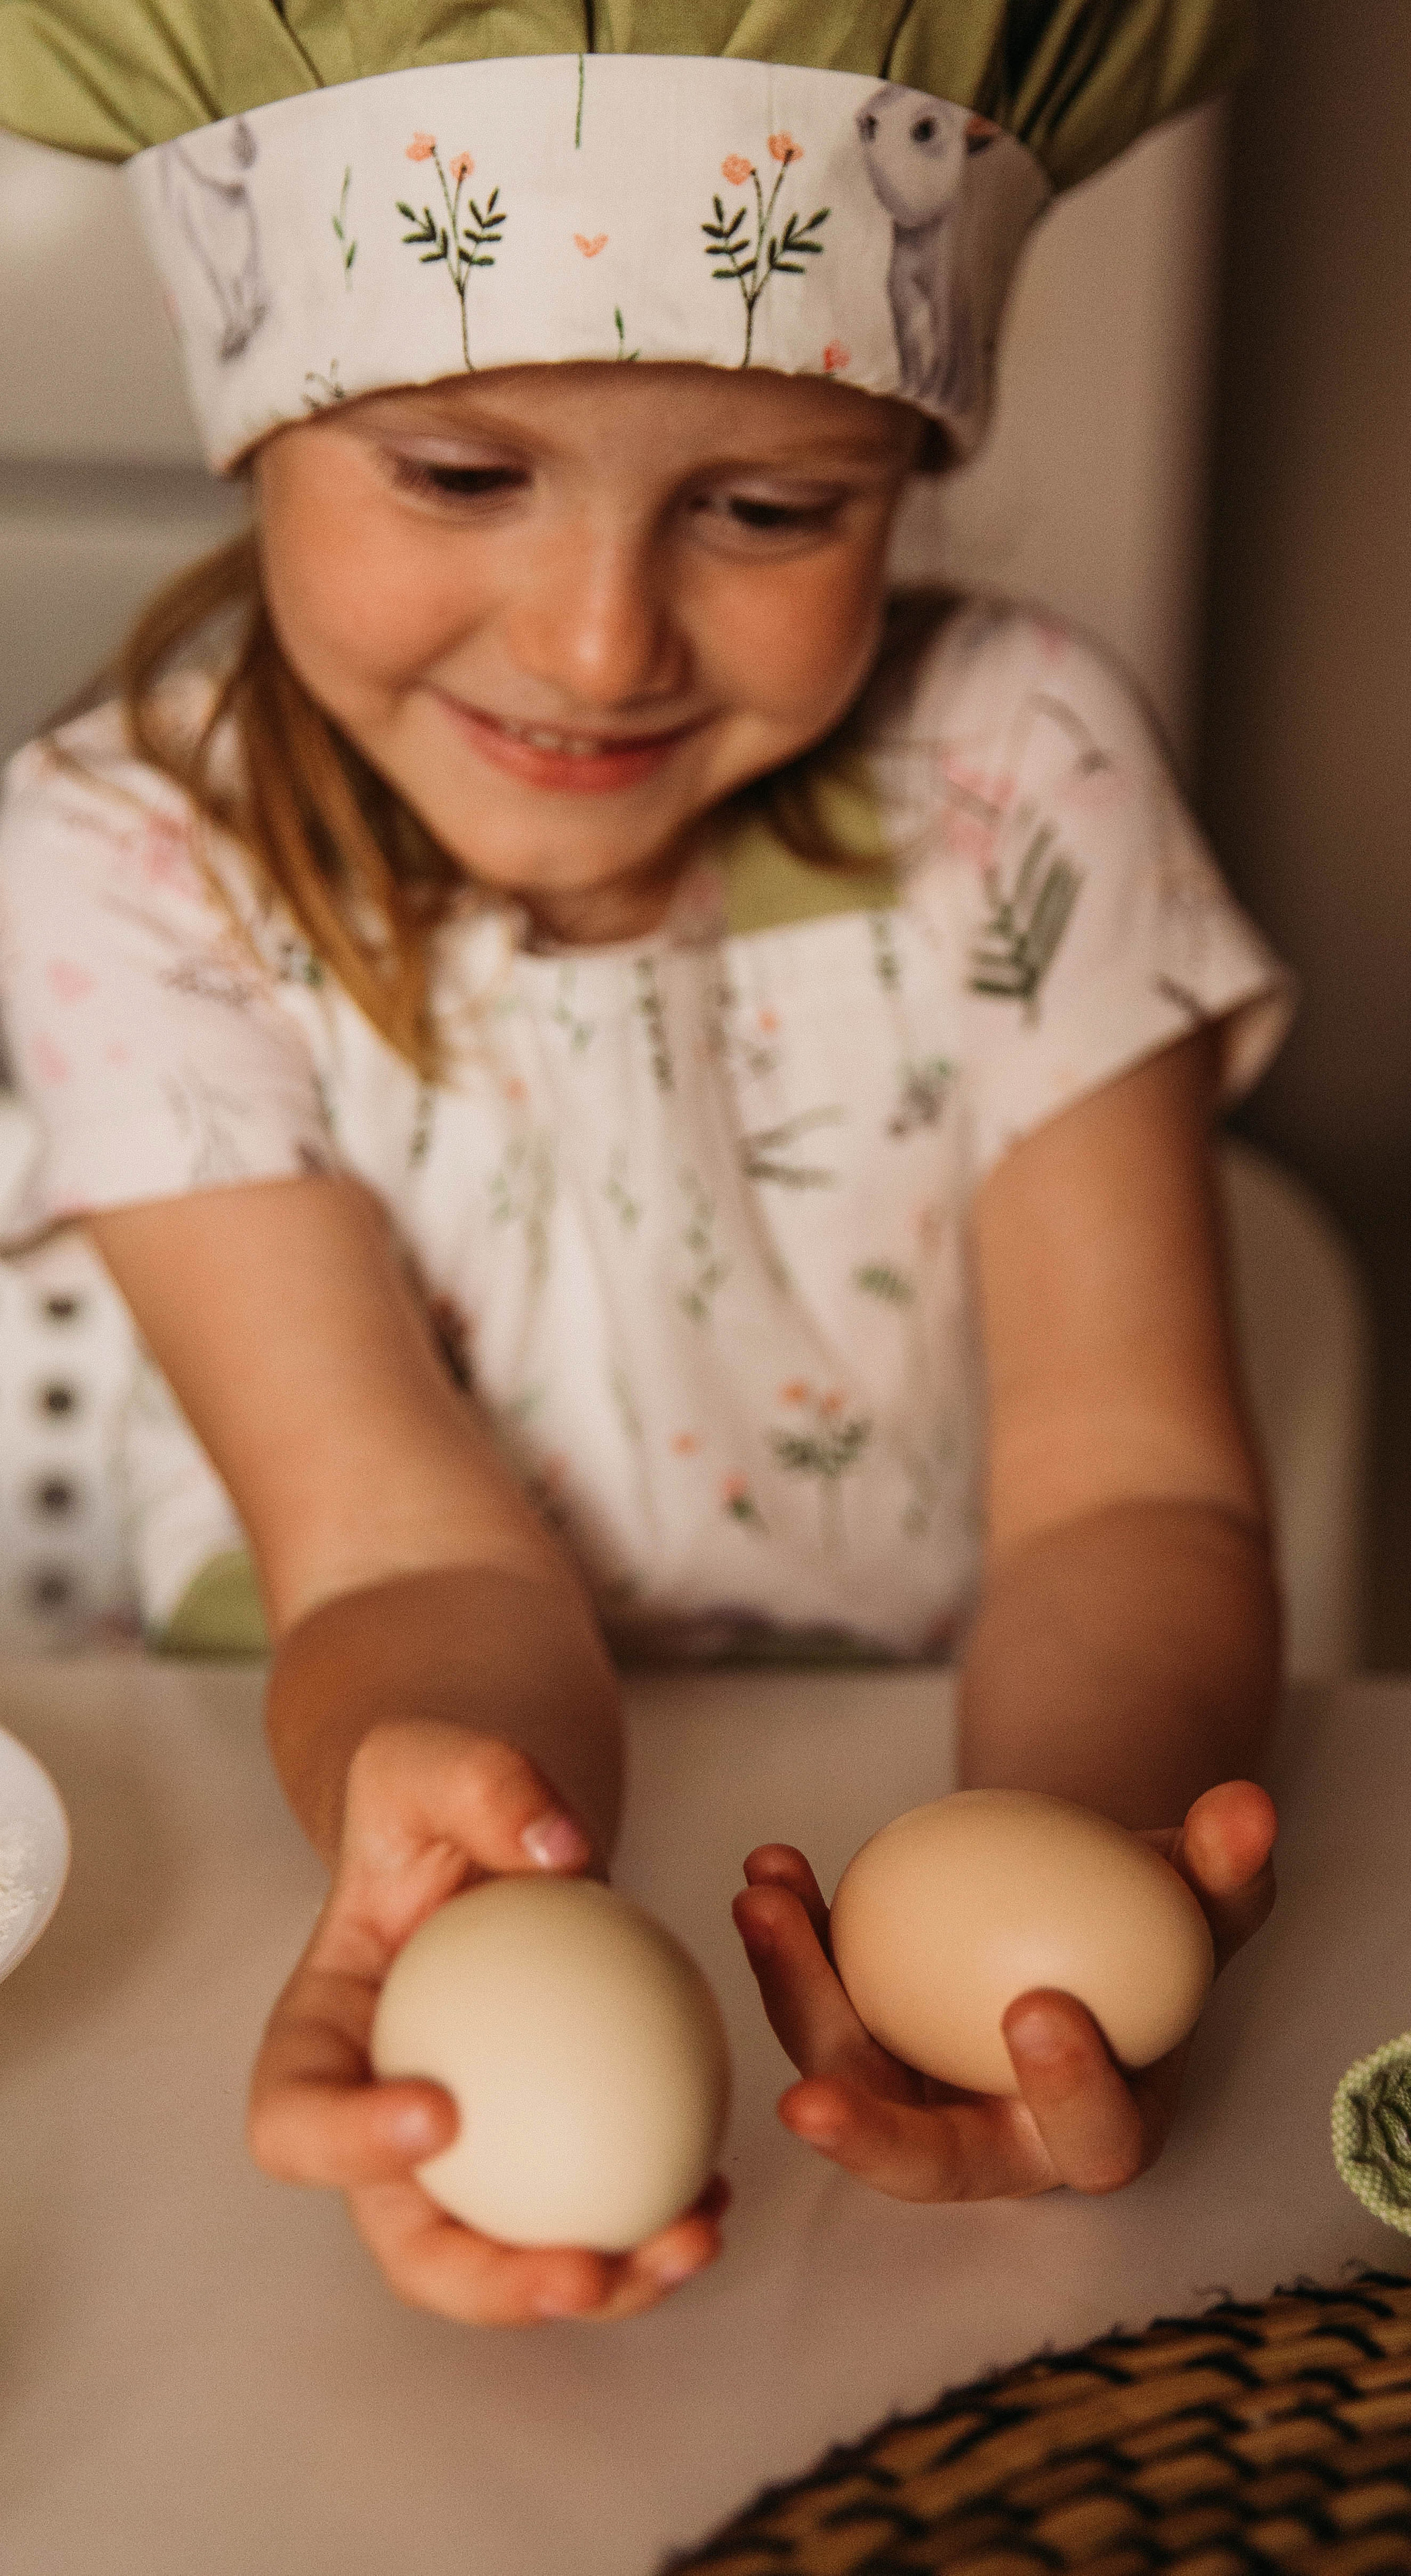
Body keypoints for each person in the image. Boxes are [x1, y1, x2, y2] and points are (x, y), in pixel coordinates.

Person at [0, 1, 1290, 2325]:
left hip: (902, 1754)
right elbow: (398, 1546)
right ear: (261, 425)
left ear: (903, 472)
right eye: (457, 474)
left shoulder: (1020, 772)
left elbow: (1126, 1497)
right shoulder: (132, 855)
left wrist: (1067, 1891)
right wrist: (477, 1904)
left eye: (772, 508)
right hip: (307, 1785)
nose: (600, 648)